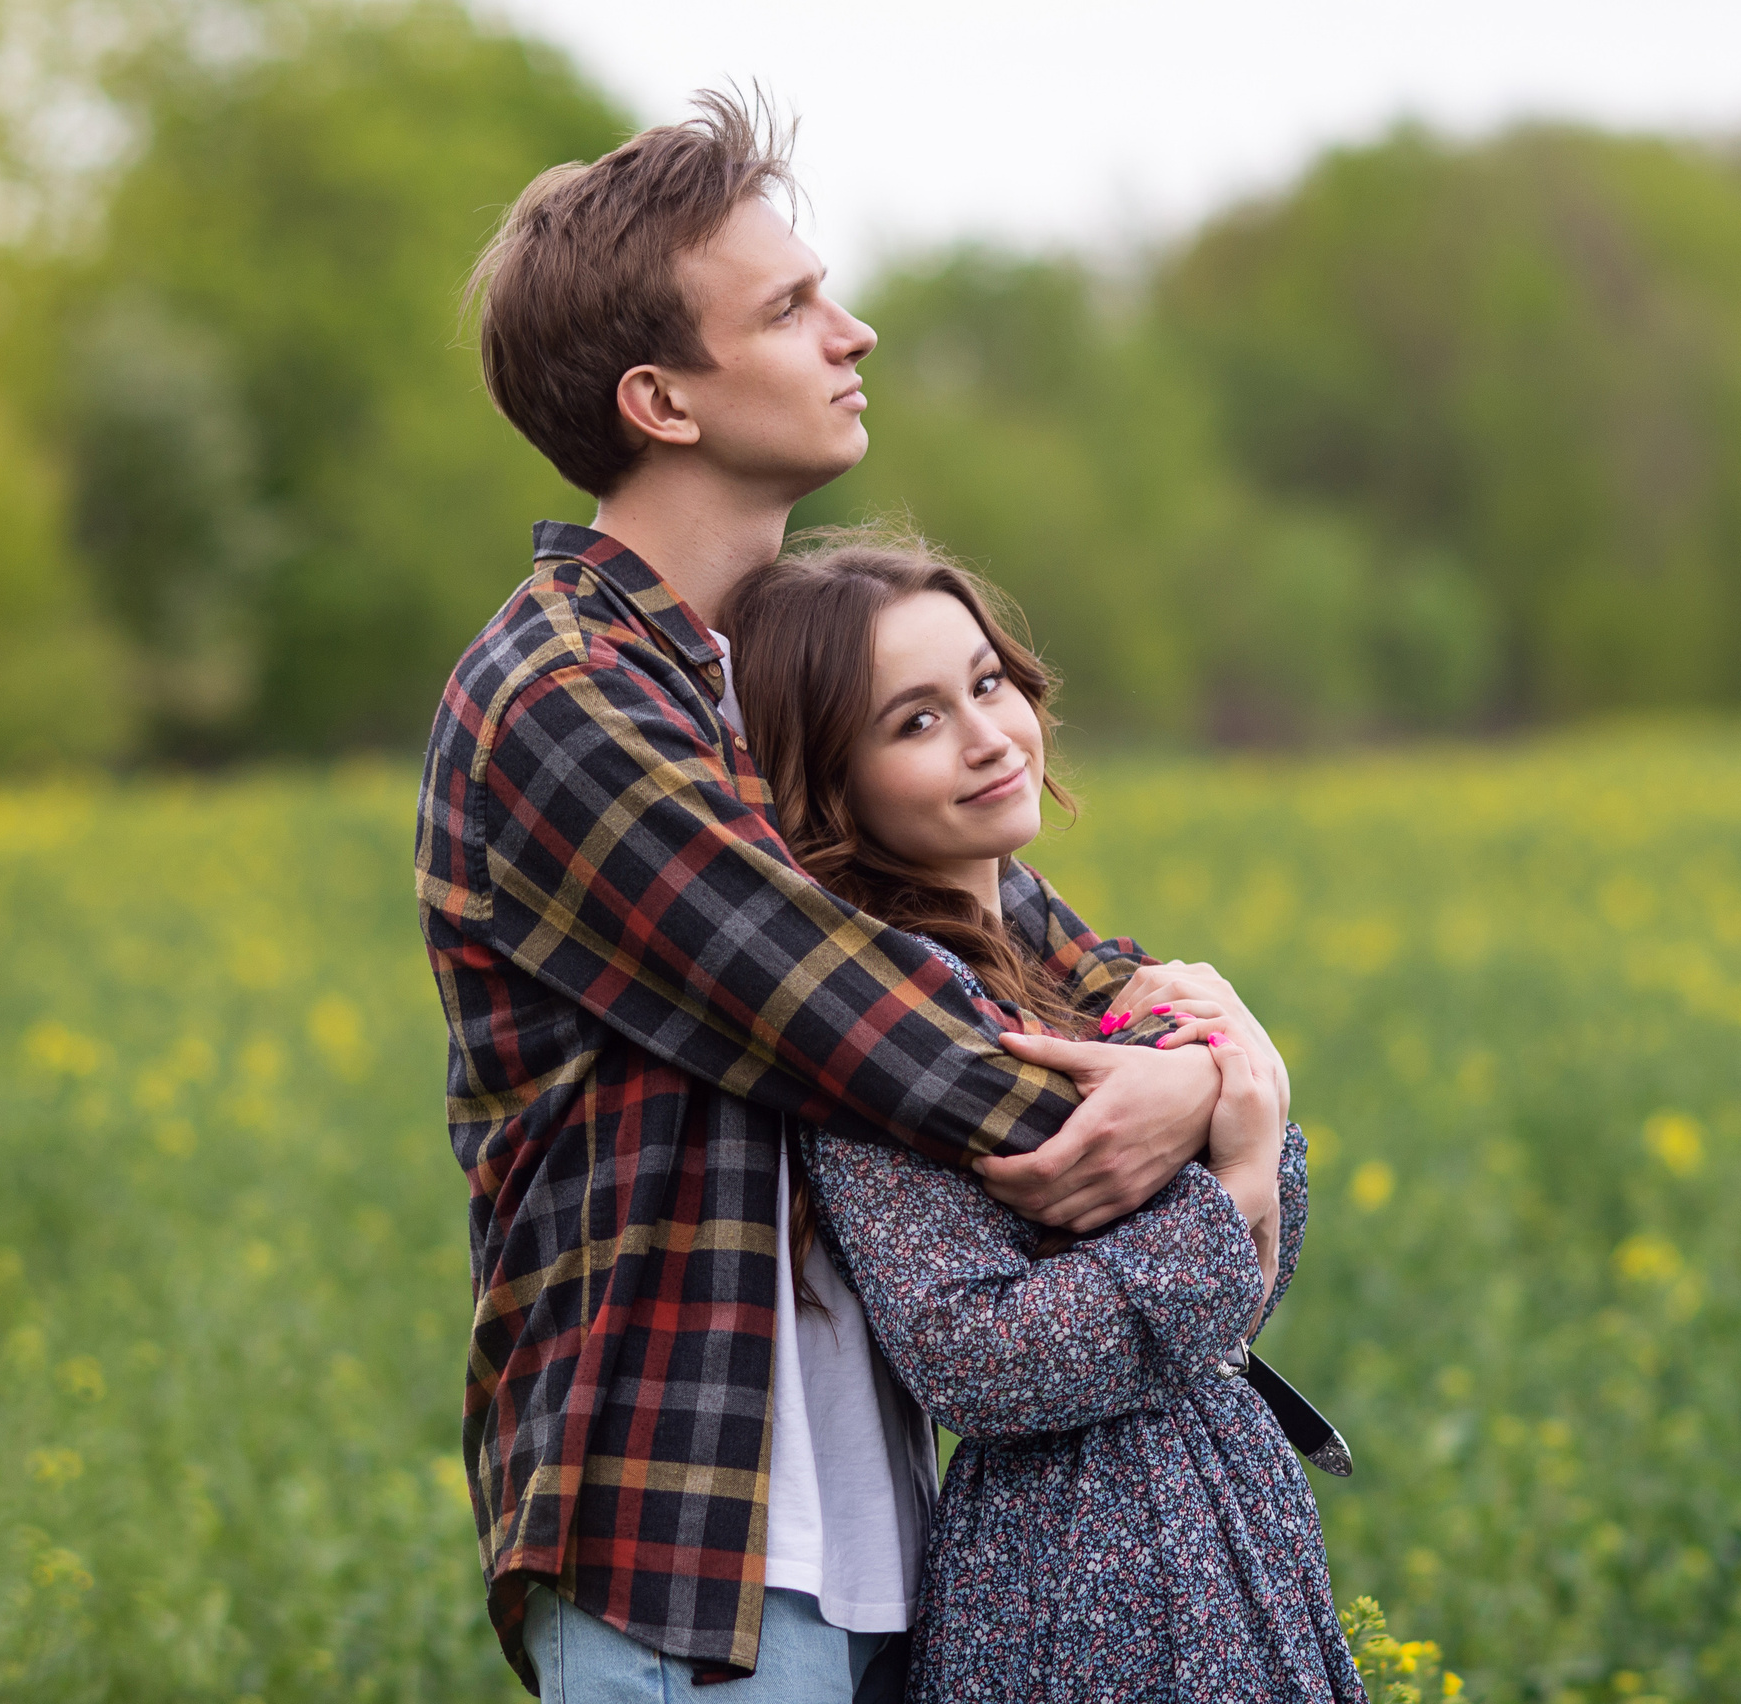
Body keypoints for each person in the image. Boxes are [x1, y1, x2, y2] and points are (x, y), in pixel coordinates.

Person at [420, 94, 1281, 1701]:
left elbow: (1039, 953)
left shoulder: (777, 681)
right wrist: (1208, 1106)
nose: (853, 329)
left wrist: (1214, 1062)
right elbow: (873, 1018)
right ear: (661, 400)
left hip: (886, 1546)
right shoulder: (560, 693)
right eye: (790, 308)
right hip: (686, 1569)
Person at [724, 533, 1364, 1704]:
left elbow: (1234, 1286)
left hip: (1213, 1525)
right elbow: (977, 1362)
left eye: (986, 683)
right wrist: (1234, 1178)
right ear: (832, 781)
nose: (986, 735)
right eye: (915, 721)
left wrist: (1244, 1113)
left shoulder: (1066, 972)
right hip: (1074, 1576)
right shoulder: (881, 1023)